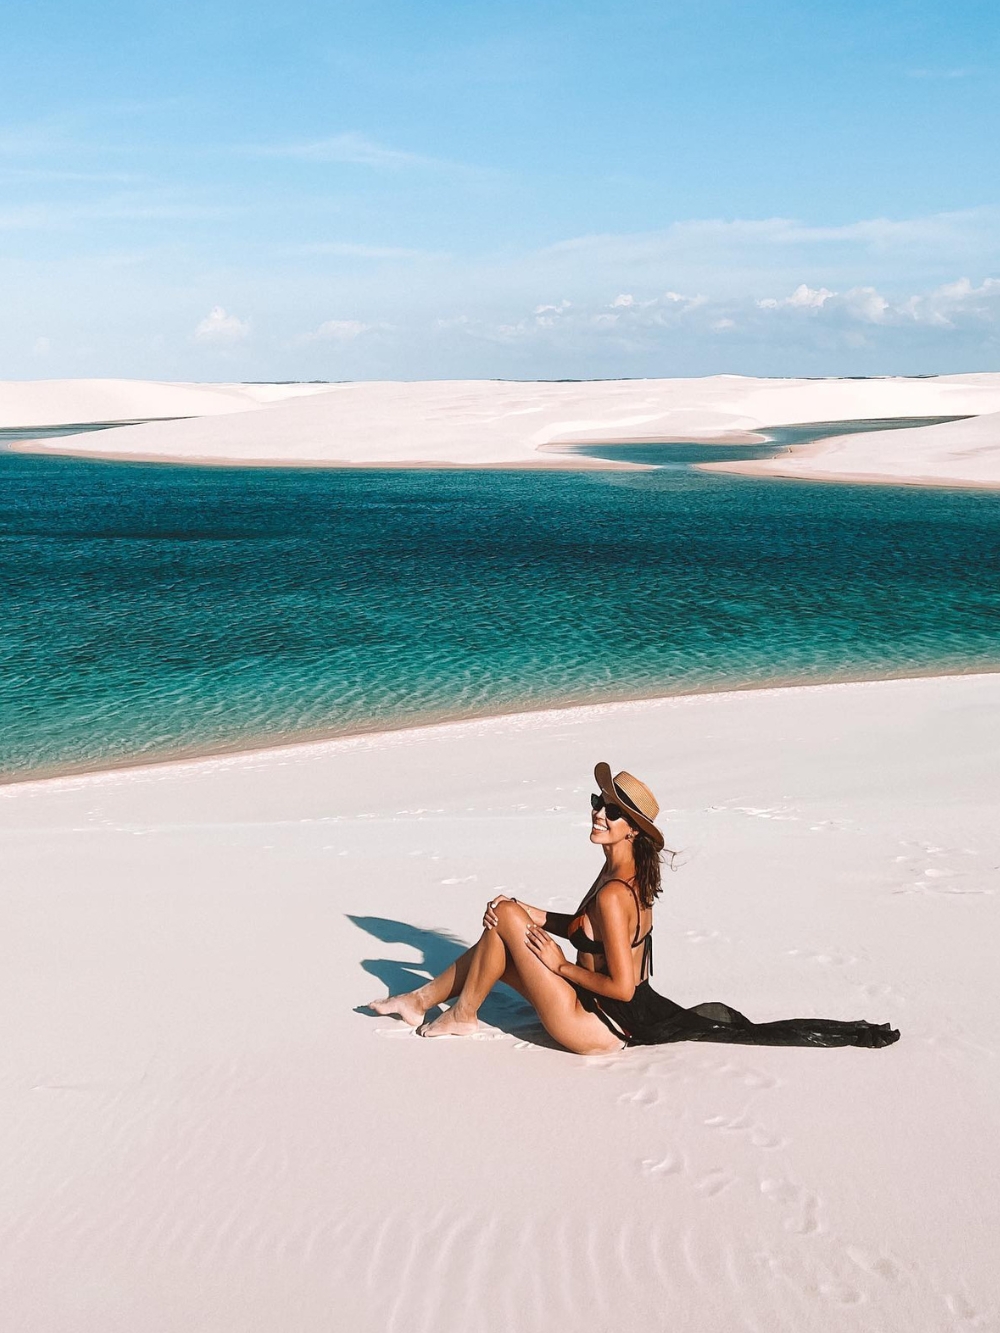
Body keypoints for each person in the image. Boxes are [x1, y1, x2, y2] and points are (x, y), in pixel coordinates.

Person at [369, 763, 900, 1054]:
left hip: (601, 1025)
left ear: (631, 829)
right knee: (504, 926)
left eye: (609, 811)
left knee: (505, 922)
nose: (597, 812)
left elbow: (623, 987)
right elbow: (584, 930)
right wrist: (532, 912)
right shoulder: (617, 874)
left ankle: (462, 1015)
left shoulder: (614, 892)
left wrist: (558, 966)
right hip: (596, 1007)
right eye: (597, 803)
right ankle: (420, 1000)